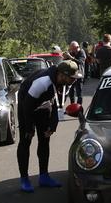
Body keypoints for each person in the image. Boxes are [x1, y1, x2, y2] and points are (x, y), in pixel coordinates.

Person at [16, 60, 79, 192]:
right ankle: (24, 179)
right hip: (27, 106)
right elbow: (27, 106)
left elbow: (55, 101)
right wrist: (29, 127)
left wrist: (53, 124)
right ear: (62, 75)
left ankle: (44, 176)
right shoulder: (43, 82)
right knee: (25, 141)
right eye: (72, 78)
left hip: (44, 105)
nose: (74, 80)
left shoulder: (61, 81)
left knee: (45, 138)